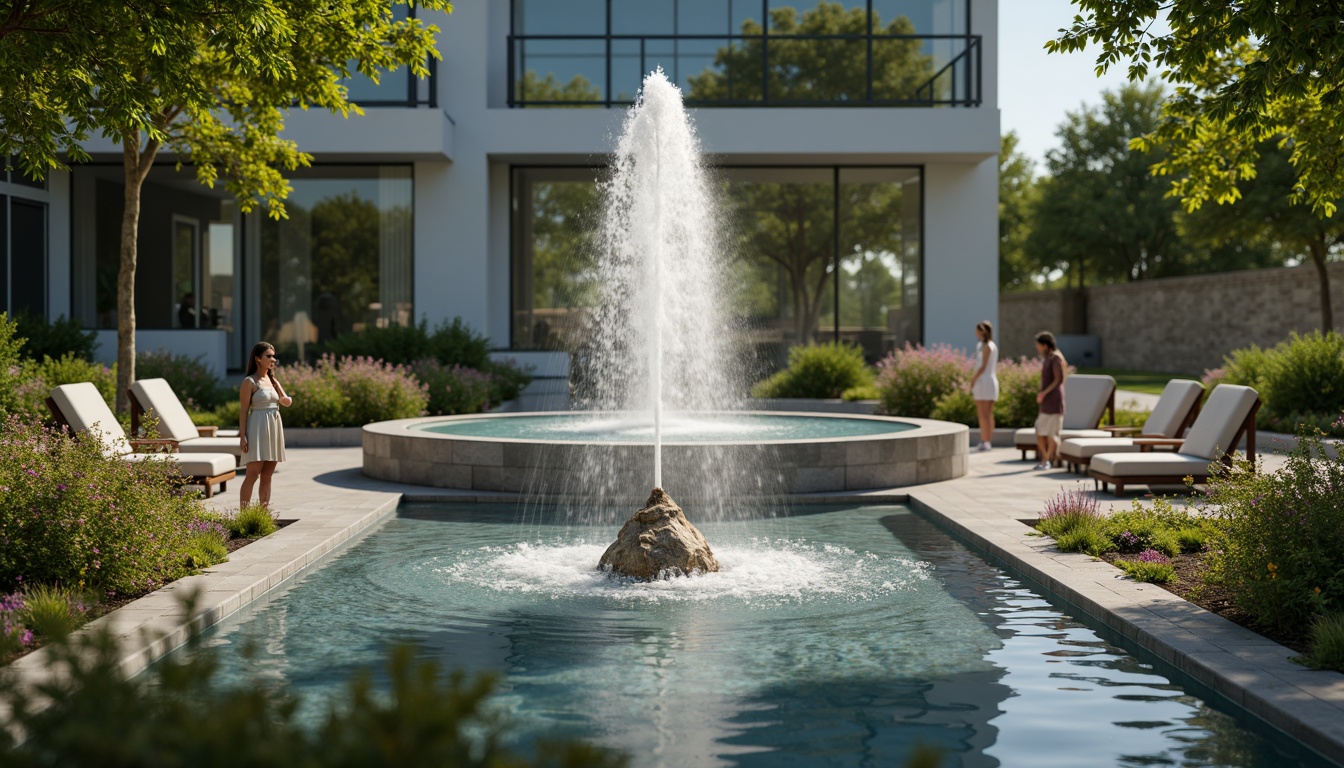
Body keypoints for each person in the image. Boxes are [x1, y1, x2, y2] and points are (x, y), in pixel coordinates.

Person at [239, 341, 293, 508]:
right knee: (253, 474)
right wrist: (243, 436)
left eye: (274, 356)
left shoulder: (272, 381)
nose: (273, 359)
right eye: (269, 356)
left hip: (273, 429)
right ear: (258, 359)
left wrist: (276, 383)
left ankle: (263, 513)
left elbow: (287, 402)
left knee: (267, 475)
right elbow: (243, 411)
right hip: (257, 429)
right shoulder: (250, 382)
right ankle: (245, 515)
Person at [1033, 331, 1067, 470]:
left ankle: (1049, 459)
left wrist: (1044, 393)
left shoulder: (1056, 358)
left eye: (1038, 346)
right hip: (1046, 401)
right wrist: (1042, 394)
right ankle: (1046, 458)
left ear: (1045, 345)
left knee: (1052, 434)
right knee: (1040, 430)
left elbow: (1059, 380)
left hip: (1054, 401)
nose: (1037, 348)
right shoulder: (1048, 358)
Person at [969, 321, 999, 451]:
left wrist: (974, 378)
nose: (976, 333)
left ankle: (987, 440)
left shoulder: (988, 346)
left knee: (986, 413)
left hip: (986, 381)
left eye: (978, 331)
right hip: (983, 382)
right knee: (982, 413)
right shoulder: (981, 345)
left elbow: (983, 366)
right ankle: (984, 439)